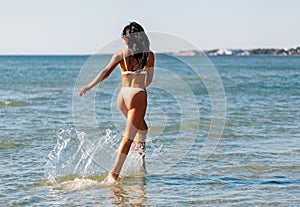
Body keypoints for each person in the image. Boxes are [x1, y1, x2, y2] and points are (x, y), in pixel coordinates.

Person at [78, 22, 155, 182]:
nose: (122, 38)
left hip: (122, 97)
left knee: (142, 129)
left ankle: (140, 167)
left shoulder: (121, 54)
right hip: (137, 95)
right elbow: (149, 81)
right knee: (128, 138)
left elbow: (105, 72)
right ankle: (114, 174)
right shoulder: (149, 55)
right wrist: (139, 87)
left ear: (128, 38)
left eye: (123, 36)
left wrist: (90, 85)